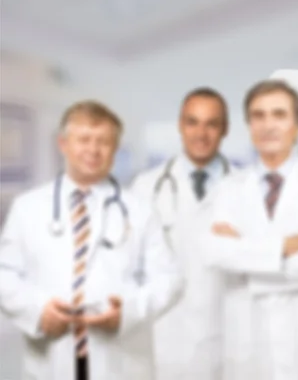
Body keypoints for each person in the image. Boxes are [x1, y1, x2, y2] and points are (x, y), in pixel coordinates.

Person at [0, 100, 183, 380]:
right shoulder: (28, 207)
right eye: (84, 139)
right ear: (63, 144)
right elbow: (5, 274)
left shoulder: (140, 209)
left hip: (120, 358)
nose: (93, 150)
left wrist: (128, 312)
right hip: (51, 356)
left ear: (115, 148)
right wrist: (38, 312)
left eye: (104, 142)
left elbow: (170, 279)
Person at [205, 79, 298, 380]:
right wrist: (282, 248)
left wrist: (244, 258)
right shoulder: (227, 189)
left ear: (296, 126)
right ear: (249, 125)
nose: (268, 124)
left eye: (279, 114)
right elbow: (216, 254)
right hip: (244, 348)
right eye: (259, 115)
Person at [130, 87, 232, 380]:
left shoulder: (245, 190)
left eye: (211, 123)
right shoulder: (146, 187)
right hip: (165, 342)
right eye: (192, 122)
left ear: (223, 129)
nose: (201, 133)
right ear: (180, 125)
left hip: (227, 342)